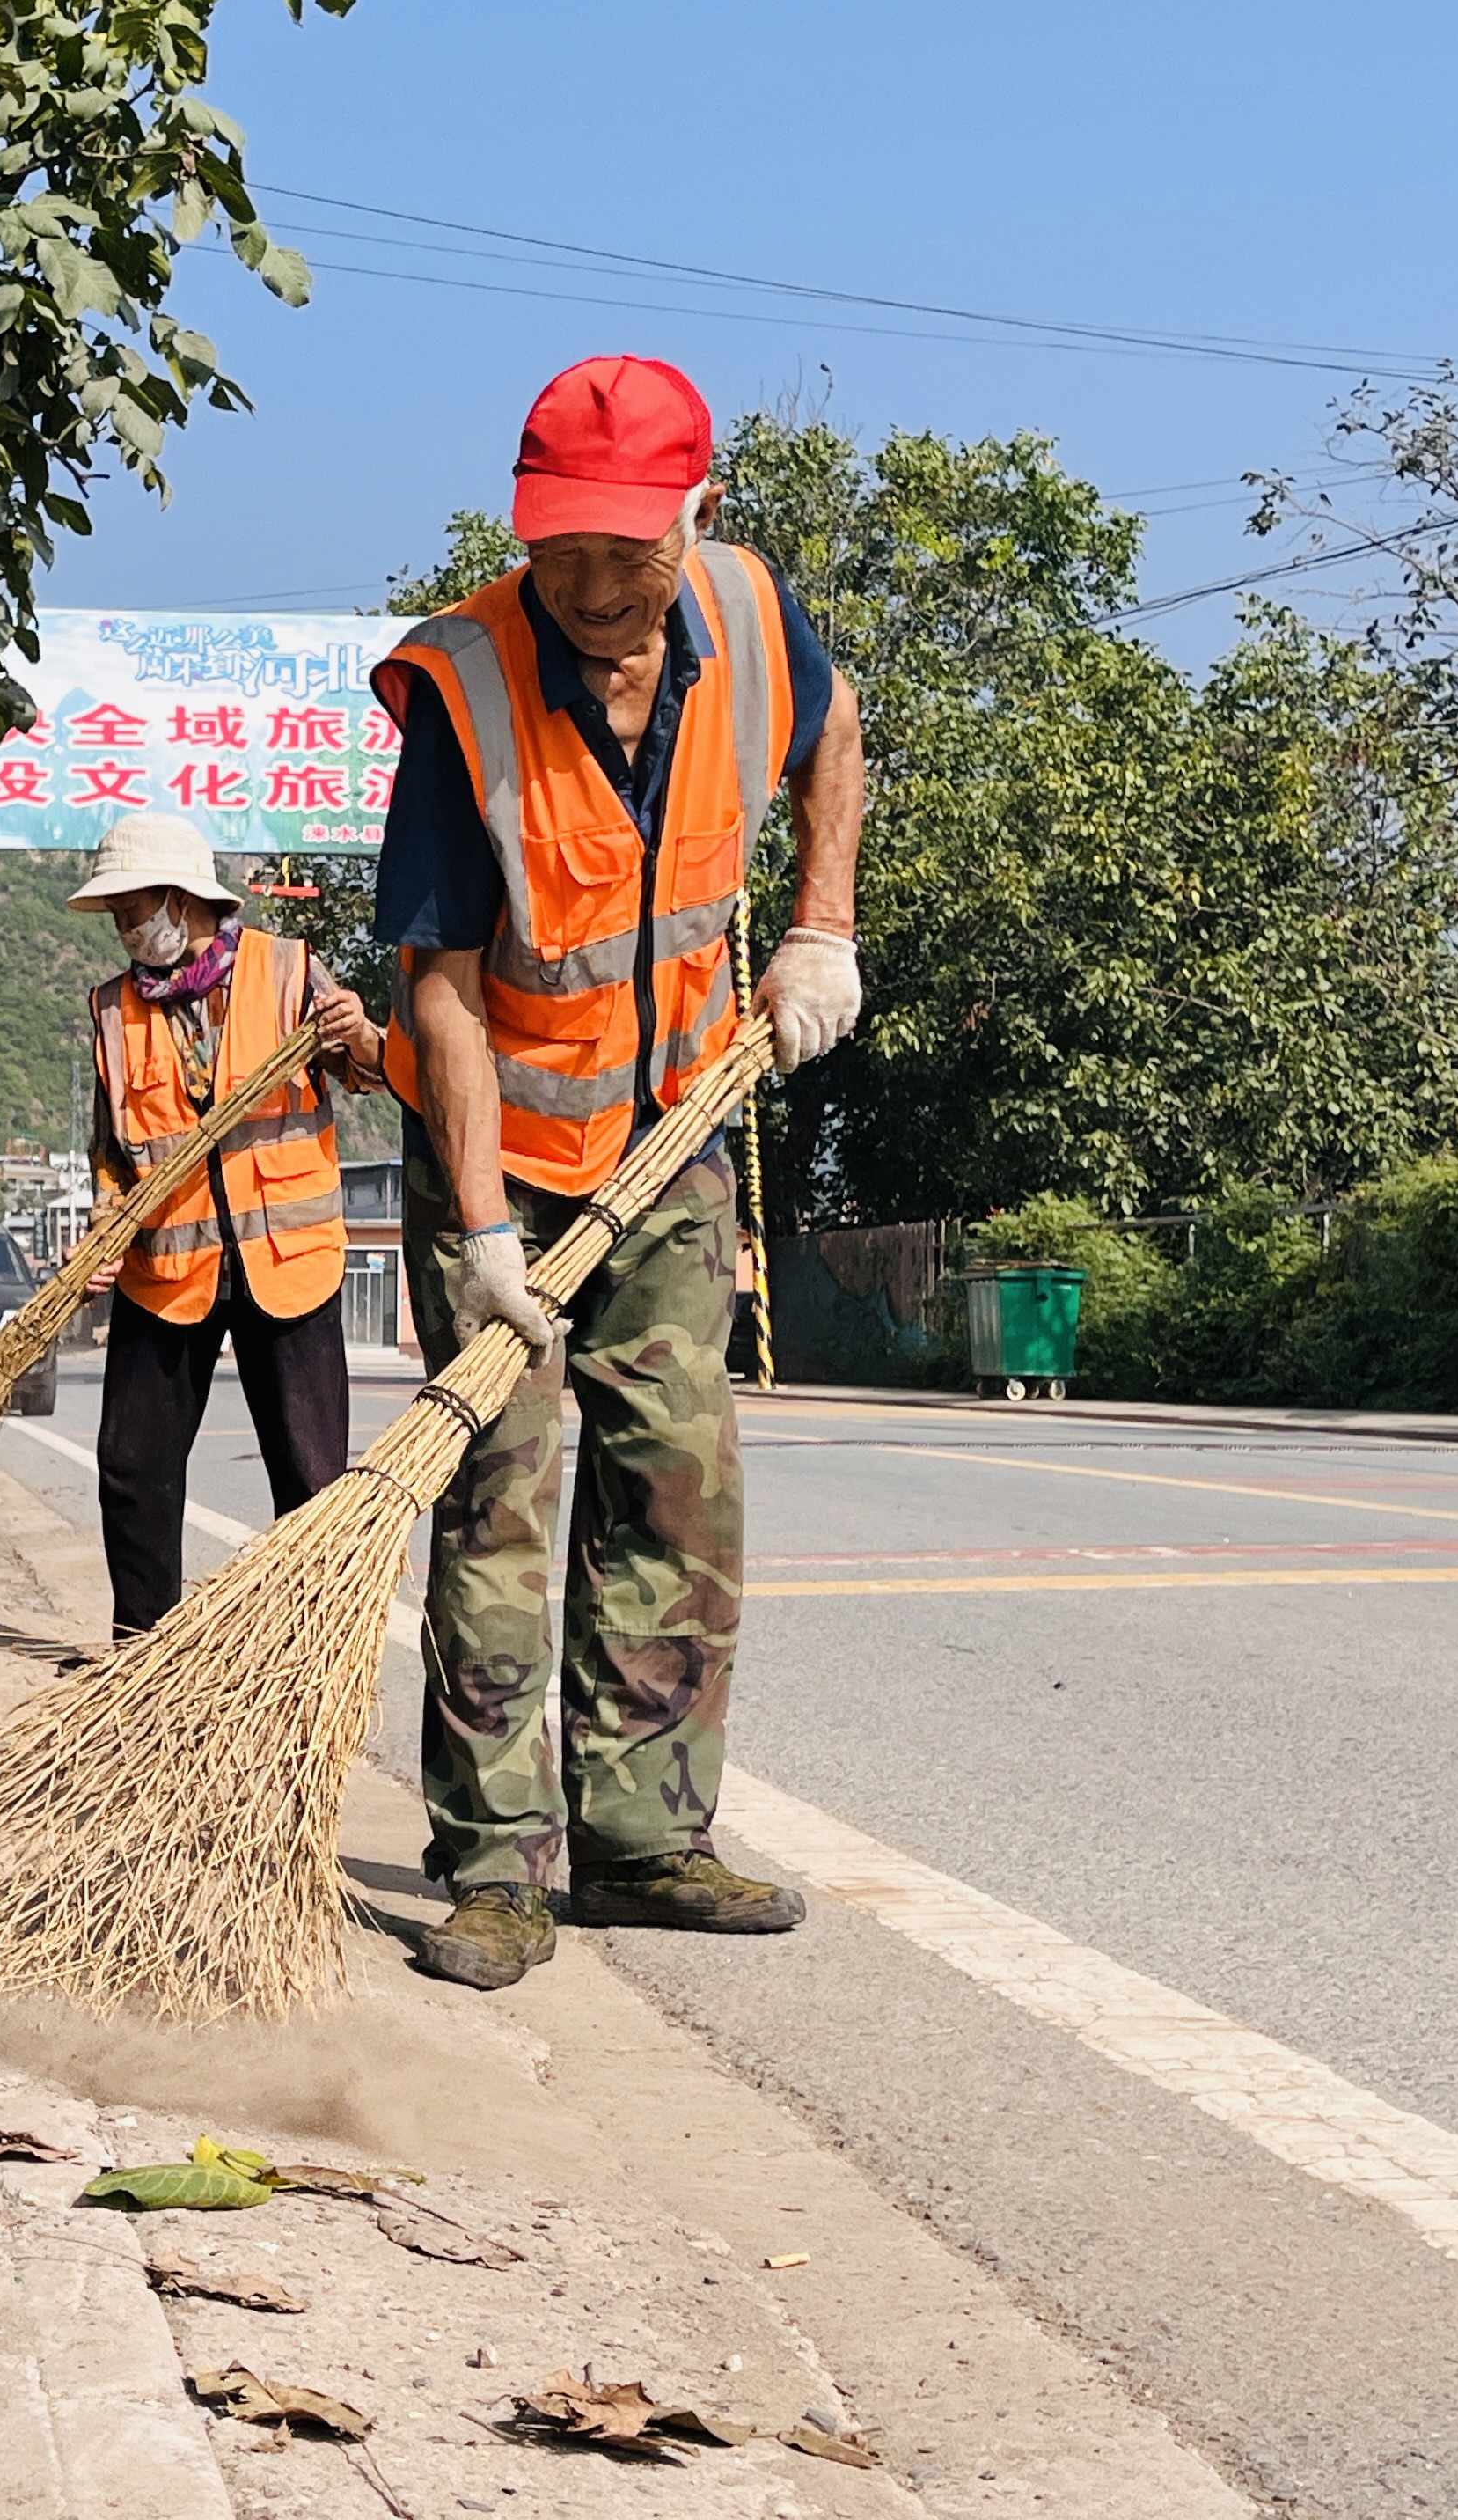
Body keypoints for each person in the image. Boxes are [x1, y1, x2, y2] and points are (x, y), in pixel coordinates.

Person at [372, 354, 865, 1992]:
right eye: (557, 549)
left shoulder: (747, 606)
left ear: (694, 517)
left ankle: (648, 1839)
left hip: (673, 1135)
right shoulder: (463, 688)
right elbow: (436, 986)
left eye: (623, 554)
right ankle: (498, 1865)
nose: (588, 588)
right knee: (501, 1499)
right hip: (494, 1149)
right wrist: (487, 1228)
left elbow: (836, 729)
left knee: (673, 1480)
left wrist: (819, 927)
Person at [71, 812, 385, 1649]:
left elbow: (370, 1069)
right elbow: (113, 1152)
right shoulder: (110, 1012)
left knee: (311, 1479)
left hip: (288, 1265)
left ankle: (310, 1654)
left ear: (182, 900)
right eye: (118, 917)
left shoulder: (289, 972)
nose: (128, 929)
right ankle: (142, 1653)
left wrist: (360, 1034)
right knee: (132, 1466)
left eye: (134, 909)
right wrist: (103, 1235)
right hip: (169, 1273)